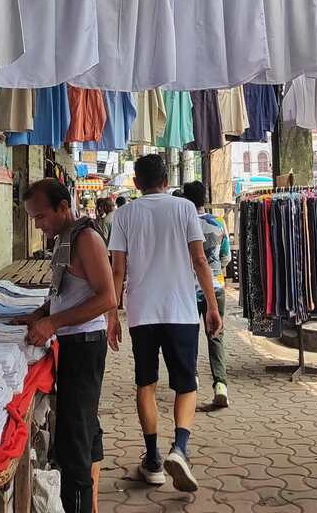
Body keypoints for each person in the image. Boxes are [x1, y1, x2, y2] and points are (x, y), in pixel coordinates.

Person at [107, 154, 222, 493]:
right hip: (182, 311)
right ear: (166, 178)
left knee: (146, 383)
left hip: (143, 313)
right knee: (185, 385)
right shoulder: (185, 208)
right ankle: (181, 449)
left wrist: (112, 314)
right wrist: (212, 306)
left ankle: (154, 460)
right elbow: (200, 259)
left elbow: (118, 271)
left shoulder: (124, 214)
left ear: (137, 183)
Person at [15, 178, 117, 513]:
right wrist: (40, 314)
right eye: (33, 218)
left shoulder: (86, 238)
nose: (37, 224)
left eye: (41, 217)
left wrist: (52, 323)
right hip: (72, 343)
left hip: (84, 345)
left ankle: (80, 502)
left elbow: (107, 298)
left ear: (63, 207)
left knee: (73, 443)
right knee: (84, 427)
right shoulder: (64, 239)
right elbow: (63, 292)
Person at [182, 181, 231, 408]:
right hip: (216, 287)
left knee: (189, 335)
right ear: (205, 198)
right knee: (216, 336)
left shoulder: (183, 224)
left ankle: (191, 381)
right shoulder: (218, 223)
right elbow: (225, 258)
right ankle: (220, 385)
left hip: (188, 289)